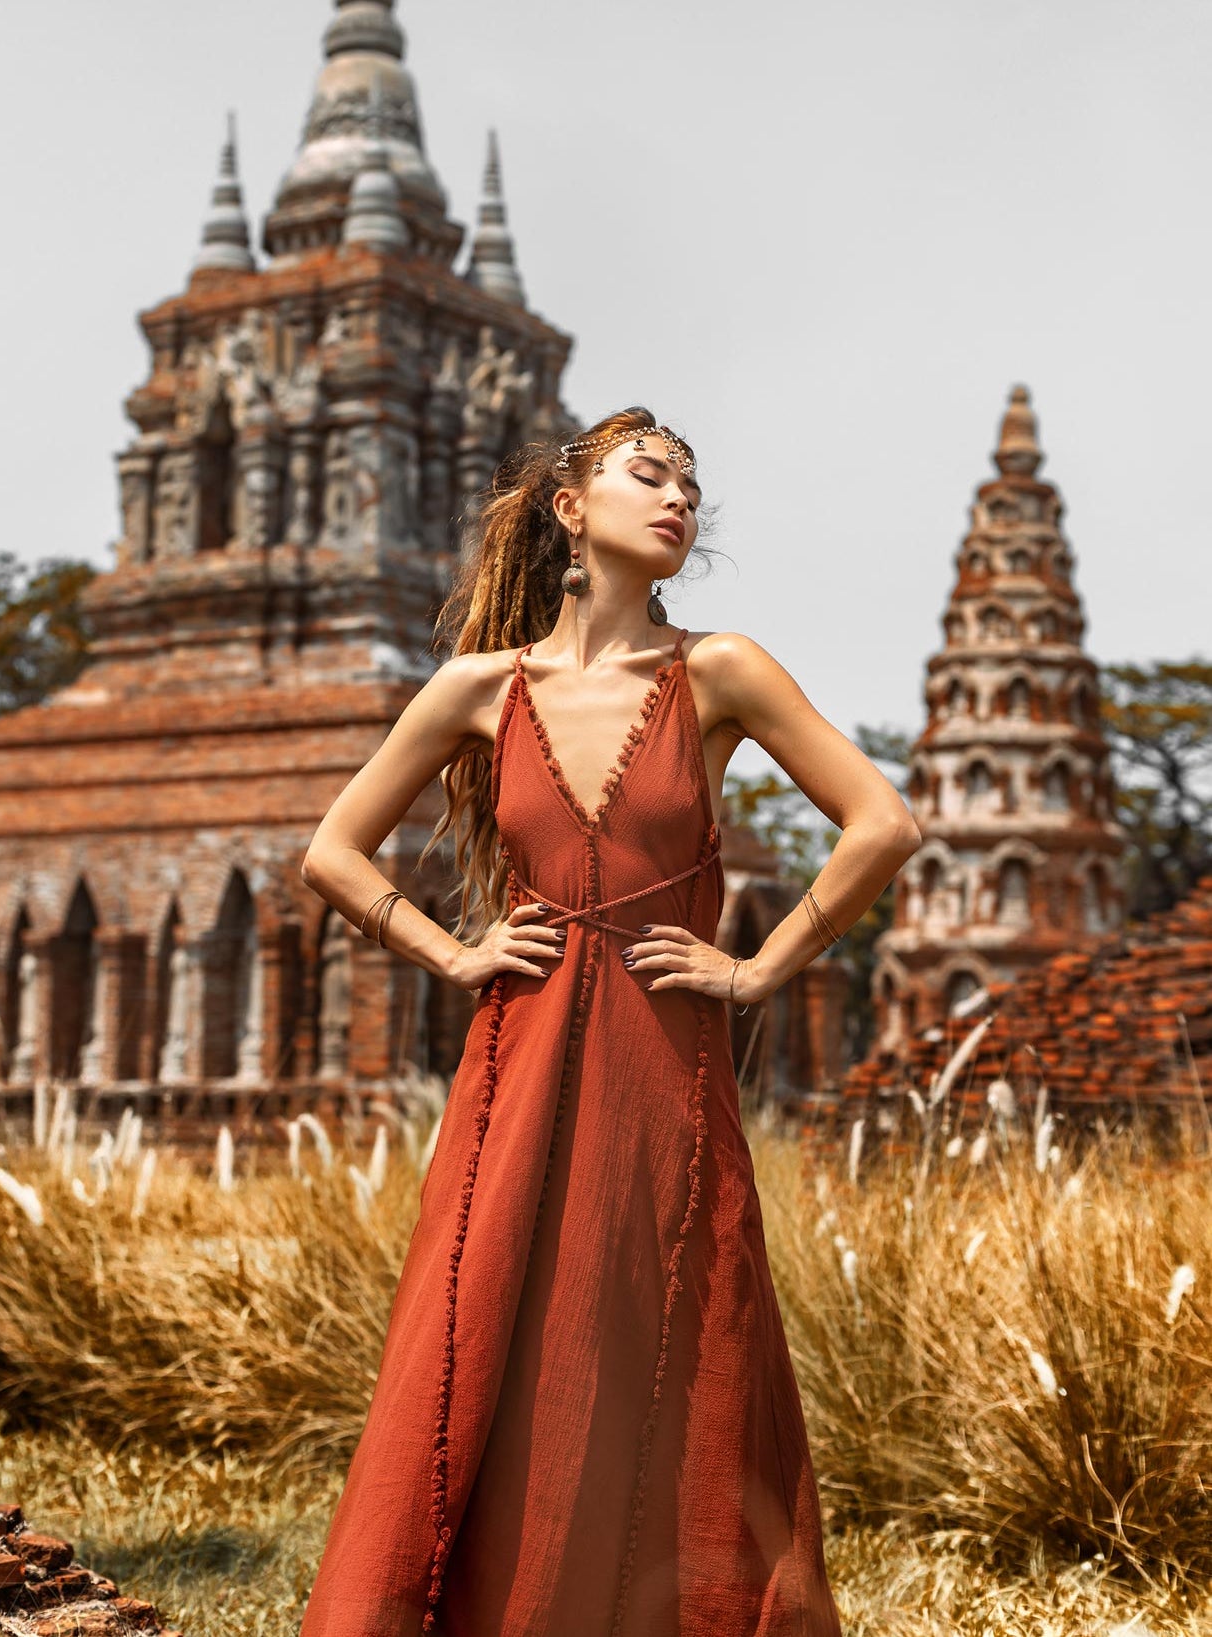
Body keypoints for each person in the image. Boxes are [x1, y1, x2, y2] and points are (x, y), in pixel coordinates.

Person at [298, 407, 921, 1636]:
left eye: (692, 484)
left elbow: (883, 823)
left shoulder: (719, 668)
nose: (680, 498)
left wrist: (758, 968)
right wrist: (455, 951)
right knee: (494, 1325)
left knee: (669, 1328)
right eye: (651, 475)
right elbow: (332, 849)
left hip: (664, 1059)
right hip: (516, 1056)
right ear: (571, 510)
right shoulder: (478, 687)